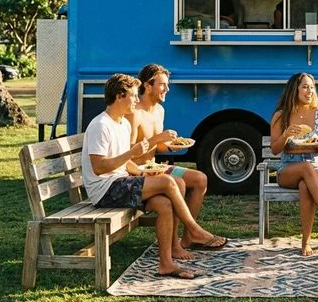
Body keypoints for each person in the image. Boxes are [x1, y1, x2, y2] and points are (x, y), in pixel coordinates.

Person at [81, 74, 226, 279]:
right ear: (119, 96)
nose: (136, 100)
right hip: (105, 190)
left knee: (164, 203)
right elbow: (98, 167)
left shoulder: (122, 124)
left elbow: (124, 163)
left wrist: (143, 172)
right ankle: (193, 229)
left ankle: (166, 264)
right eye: (132, 96)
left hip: (120, 182)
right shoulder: (101, 125)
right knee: (170, 181)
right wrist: (133, 153)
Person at [126, 64, 209, 257]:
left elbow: (158, 147)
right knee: (177, 184)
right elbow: (127, 153)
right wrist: (157, 139)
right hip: (139, 171)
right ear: (148, 86)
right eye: (163, 85)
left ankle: (189, 236)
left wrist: (171, 144)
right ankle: (174, 245)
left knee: (200, 179)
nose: (167, 89)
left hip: (157, 167)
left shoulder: (159, 111)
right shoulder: (134, 113)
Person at [270, 72, 318, 256]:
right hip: (289, 167)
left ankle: (306, 241)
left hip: (315, 164)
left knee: (306, 185)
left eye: (312, 87)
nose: (309, 91)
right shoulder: (281, 116)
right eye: (305, 86)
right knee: (305, 168)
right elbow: (274, 149)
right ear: (294, 90)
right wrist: (286, 134)